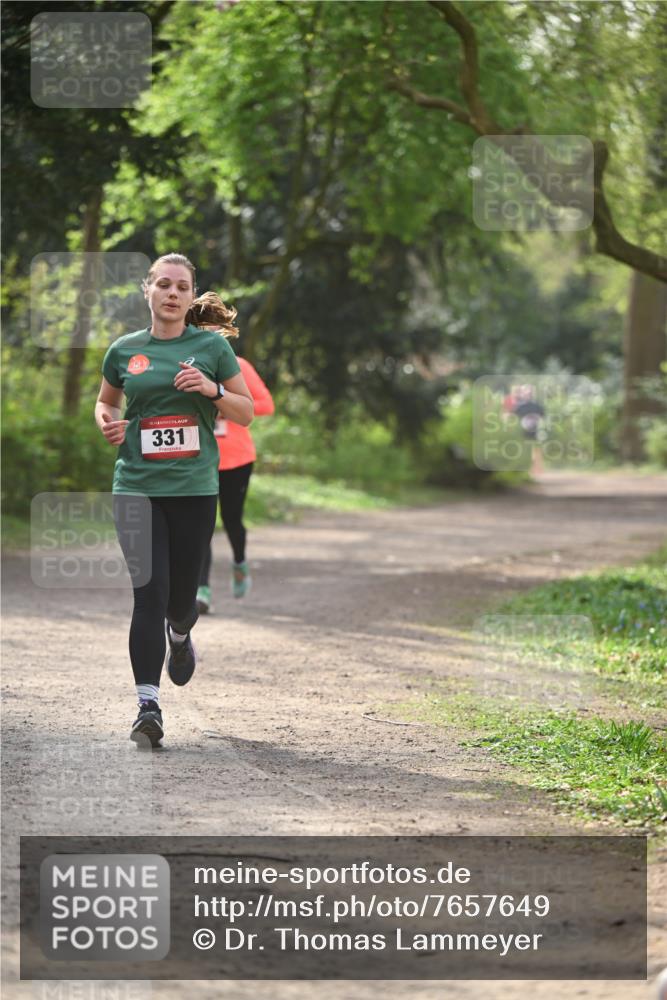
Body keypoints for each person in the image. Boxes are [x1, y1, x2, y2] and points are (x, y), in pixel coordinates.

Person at [94, 253, 253, 748]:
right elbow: (106, 401)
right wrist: (106, 422)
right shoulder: (124, 350)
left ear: (190, 297)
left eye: (181, 287)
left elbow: (245, 412)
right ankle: (148, 706)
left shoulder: (210, 348)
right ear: (147, 290)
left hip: (194, 489)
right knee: (149, 593)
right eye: (162, 284)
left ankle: (180, 637)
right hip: (136, 486)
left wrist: (209, 390)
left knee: (181, 601)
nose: (171, 293)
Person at [197, 354, 274, 610]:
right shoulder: (186, 364)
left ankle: (239, 563)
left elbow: (265, 404)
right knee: (200, 526)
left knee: (232, 519)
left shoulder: (238, 365)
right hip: (198, 457)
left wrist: (226, 407)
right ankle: (201, 590)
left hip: (236, 459)